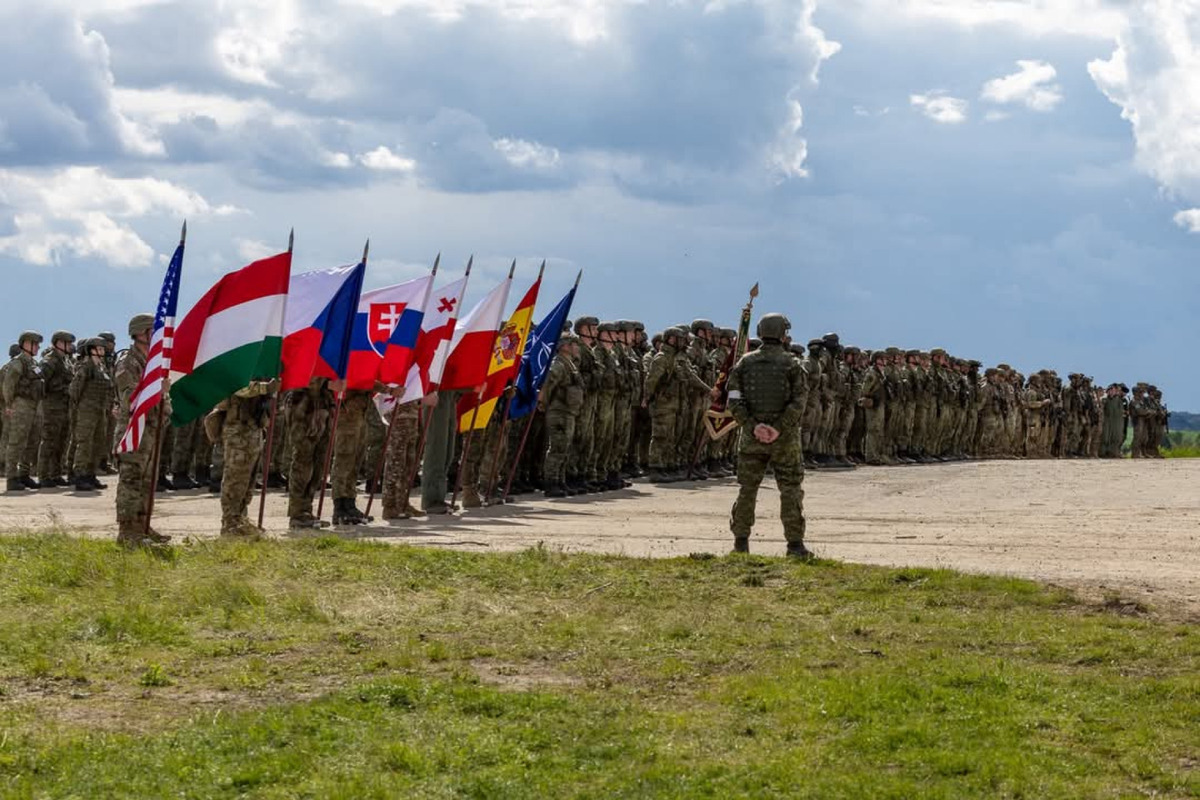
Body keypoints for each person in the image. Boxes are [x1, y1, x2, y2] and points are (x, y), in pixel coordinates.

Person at [726, 313, 811, 558]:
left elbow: (733, 400)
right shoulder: (793, 364)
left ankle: (740, 542)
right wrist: (779, 427)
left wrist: (753, 426)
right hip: (784, 440)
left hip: (752, 438)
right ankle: (795, 545)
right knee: (790, 489)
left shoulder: (744, 363)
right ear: (783, 334)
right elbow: (799, 401)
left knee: (747, 489)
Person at [113, 314, 170, 547]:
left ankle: (142, 526)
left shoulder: (152, 361)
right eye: (151, 331)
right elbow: (131, 398)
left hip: (151, 429)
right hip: (134, 431)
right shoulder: (128, 362)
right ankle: (127, 531)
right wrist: (158, 387)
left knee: (148, 481)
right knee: (132, 480)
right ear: (139, 333)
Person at [540, 334, 584, 498]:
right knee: (557, 448)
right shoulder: (558, 364)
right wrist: (543, 403)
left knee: (565, 448)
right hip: (558, 412)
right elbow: (547, 383)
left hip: (568, 412)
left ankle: (560, 481)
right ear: (564, 346)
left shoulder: (571, 365)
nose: (576, 347)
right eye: (573, 344)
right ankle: (551, 483)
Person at [4, 331, 46, 491]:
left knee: (32, 441)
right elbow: (8, 385)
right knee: (16, 442)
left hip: (35, 407)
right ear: (25, 344)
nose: (37, 347)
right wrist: (9, 405)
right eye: (34, 343)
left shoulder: (34, 364)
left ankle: (24, 474)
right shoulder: (18, 362)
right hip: (21, 405)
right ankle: (11, 477)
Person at [69, 338, 112, 491]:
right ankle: (80, 476)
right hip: (86, 411)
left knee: (98, 444)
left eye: (102, 349)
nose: (102, 352)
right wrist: (79, 407)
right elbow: (74, 390)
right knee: (84, 443)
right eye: (99, 349)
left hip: (100, 411)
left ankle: (90, 475)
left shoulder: (102, 368)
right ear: (90, 350)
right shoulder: (85, 367)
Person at [37, 330, 75, 487]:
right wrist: (59, 389)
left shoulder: (65, 361)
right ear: (58, 343)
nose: (70, 346)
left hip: (64, 406)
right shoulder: (50, 360)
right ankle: (43, 475)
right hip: (52, 406)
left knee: (61, 441)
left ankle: (56, 473)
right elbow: (40, 381)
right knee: (49, 441)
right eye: (68, 343)